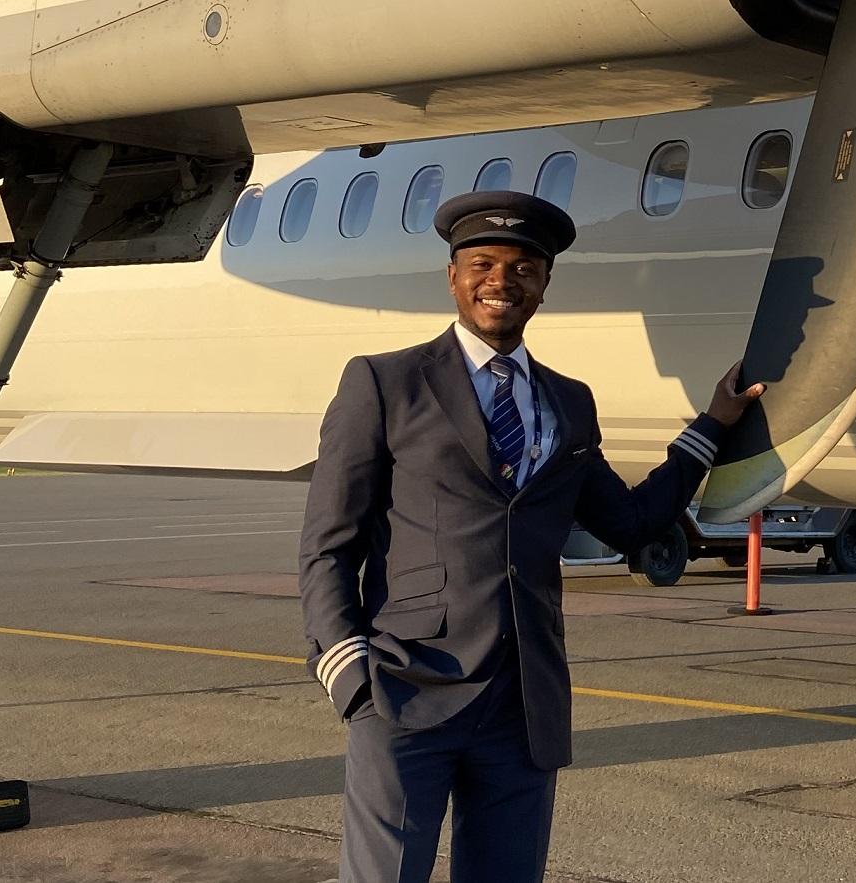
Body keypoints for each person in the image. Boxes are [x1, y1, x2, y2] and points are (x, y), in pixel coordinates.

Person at [298, 190, 763, 882]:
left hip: (523, 703)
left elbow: (631, 522)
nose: (501, 282)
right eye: (482, 263)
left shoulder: (568, 401)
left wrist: (713, 426)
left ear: (545, 285)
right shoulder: (386, 382)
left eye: (523, 268)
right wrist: (347, 671)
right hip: (405, 687)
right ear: (451, 276)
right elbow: (330, 544)